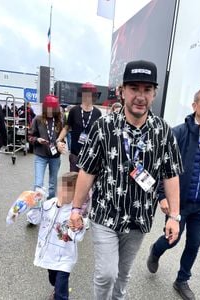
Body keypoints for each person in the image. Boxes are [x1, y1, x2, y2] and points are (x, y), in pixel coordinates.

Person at [69, 60, 183, 299]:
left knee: (123, 274)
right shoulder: (103, 127)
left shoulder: (163, 131)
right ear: (122, 91)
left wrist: (173, 216)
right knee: (106, 274)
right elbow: (87, 170)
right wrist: (76, 209)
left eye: (146, 89)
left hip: (139, 218)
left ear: (154, 93)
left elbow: (171, 175)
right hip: (105, 215)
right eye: (134, 88)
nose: (140, 96)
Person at [146, 86, 200, 300]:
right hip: (178, 203)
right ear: (195, 106)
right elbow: (162, 167)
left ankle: (182, 280)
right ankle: (156, 250)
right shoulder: (179, 133)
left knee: (194, 243)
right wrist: (161, 195)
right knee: (171, 239)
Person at [27, 172, 86, 300]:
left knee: (61, 293)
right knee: (53, 279)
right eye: (62, 188)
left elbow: (79, 236)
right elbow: (34, 219)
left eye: (69, 190)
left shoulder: (75, 213)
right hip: (49, 254)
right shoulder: (49, 205)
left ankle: (60, 294)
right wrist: (35, 206)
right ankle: (57, 290)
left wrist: (78, 226)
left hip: (65, 258)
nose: (64, 192)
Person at [57, 82, 102, 172]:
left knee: (88, 184)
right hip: (75, 154)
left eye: (90, 95)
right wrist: (58, 140)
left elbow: (99, 133)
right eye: (85, 94)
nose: (87, 97)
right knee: (72, 181)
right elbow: (66, 128)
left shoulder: (98, 113)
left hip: (90, 155)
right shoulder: (74, 110)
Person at [28, 94, 63, 199]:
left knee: (52, 184)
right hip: (41, 156)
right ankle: (36, 208)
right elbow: (29, 136)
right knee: (38, 184)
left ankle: (50, 205)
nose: (50, 111)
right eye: (48, 108)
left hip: (55, 156)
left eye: (52, 109)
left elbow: (63, 137)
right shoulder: (38, 119)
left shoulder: (59, 121)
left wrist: (61, 144)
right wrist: (37, 139)